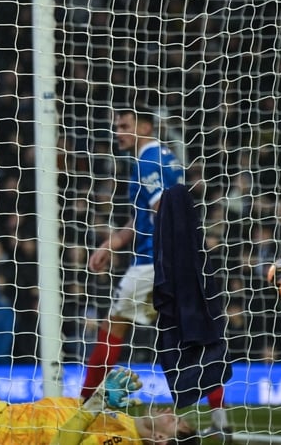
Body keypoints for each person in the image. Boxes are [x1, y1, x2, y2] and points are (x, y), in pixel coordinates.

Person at [81, 109, 229, 435]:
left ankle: (82, 407)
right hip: (172, 263)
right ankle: (220, 421)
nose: (117, 131)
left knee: (113, 326)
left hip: (152, 263)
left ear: (145, 126)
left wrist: (172, 263)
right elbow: (143, 220)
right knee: (195, 336)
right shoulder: (167, 158)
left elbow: (163, 211)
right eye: (115, 125)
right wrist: (111, 243)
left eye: (124, 125)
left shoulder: (148, 162)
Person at [0, 324, 199, 445]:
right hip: (0, 415)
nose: (172, 412)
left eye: (176, 421)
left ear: (160, 439)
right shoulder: (124, 419)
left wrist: (96, 404)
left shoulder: (122, 443)